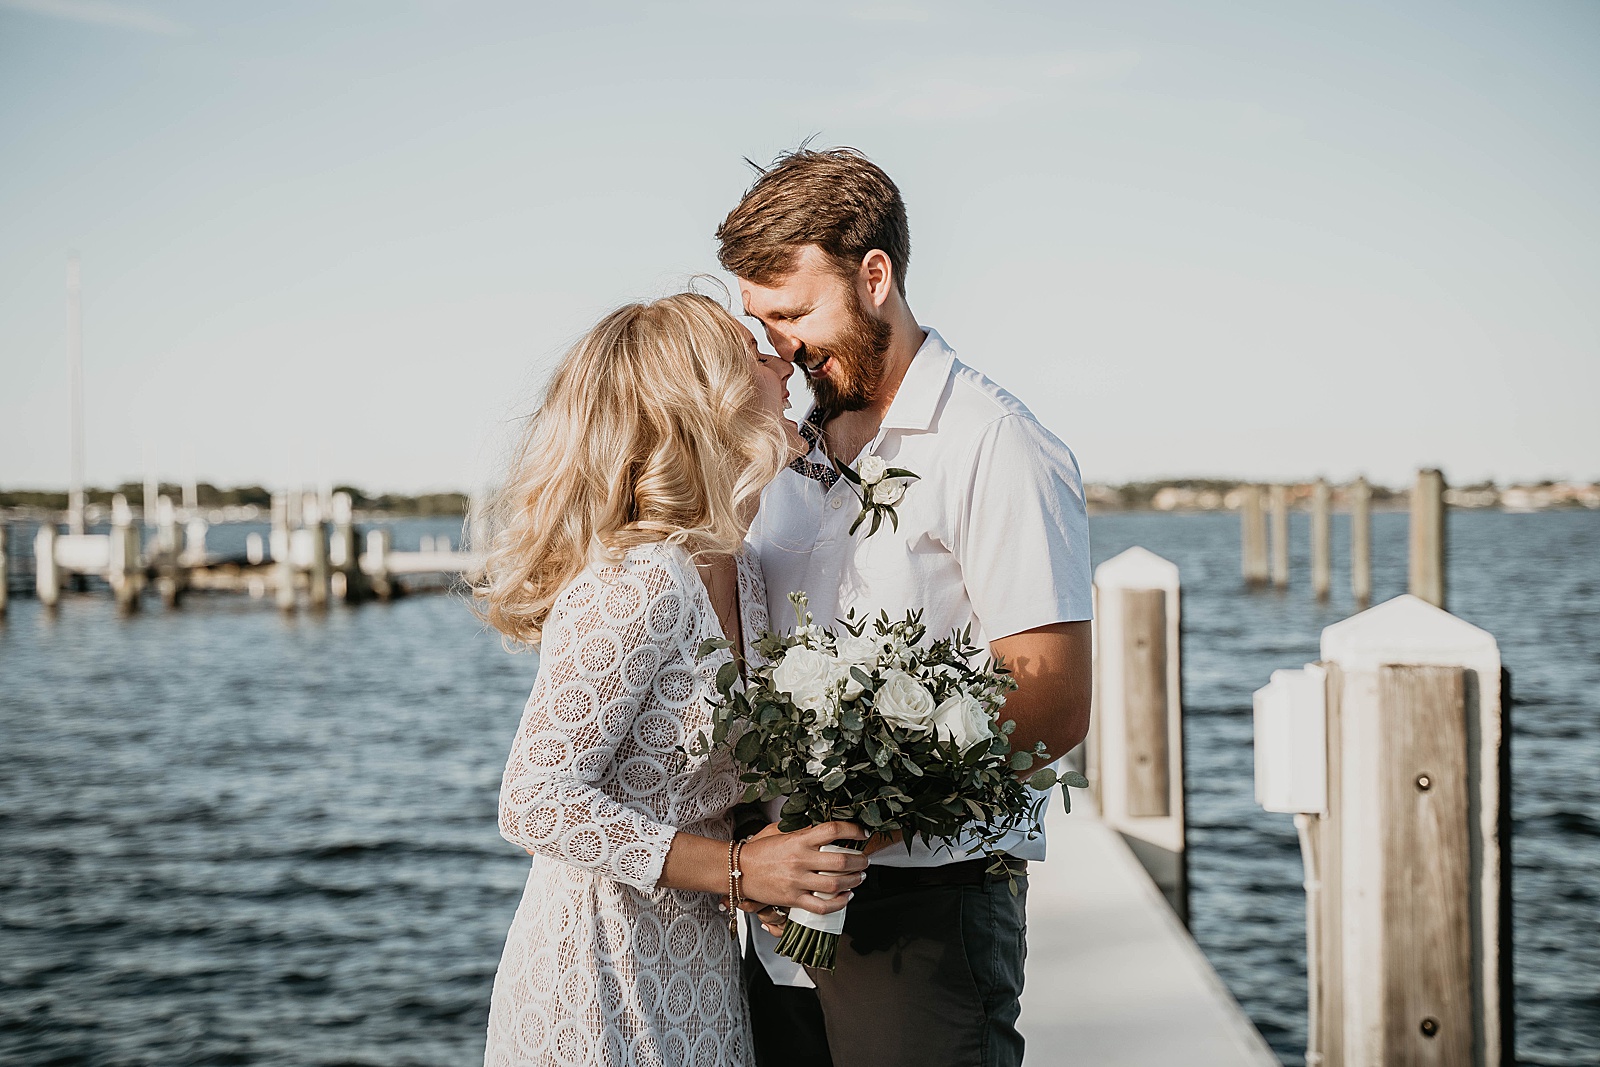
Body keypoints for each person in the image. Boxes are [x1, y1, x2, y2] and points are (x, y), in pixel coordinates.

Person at [717, 148, 1095, 1067]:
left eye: (794, 313)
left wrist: (848, 837)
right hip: (771, 907)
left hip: (928, 902)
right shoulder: (778, 450)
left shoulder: (994, 443)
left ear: (875, 277)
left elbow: (1051, 700)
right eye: (761, 322)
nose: (780, 346)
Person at [474, 292, 872, 1067]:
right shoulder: (642, 579)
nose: (784, 362)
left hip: (701, 973)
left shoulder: (745, 574)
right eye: (755, 356)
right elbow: (533, 800)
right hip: (595, 979)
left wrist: (766, 857)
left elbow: (698, 791)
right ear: (710, 403)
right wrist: (738, 869)